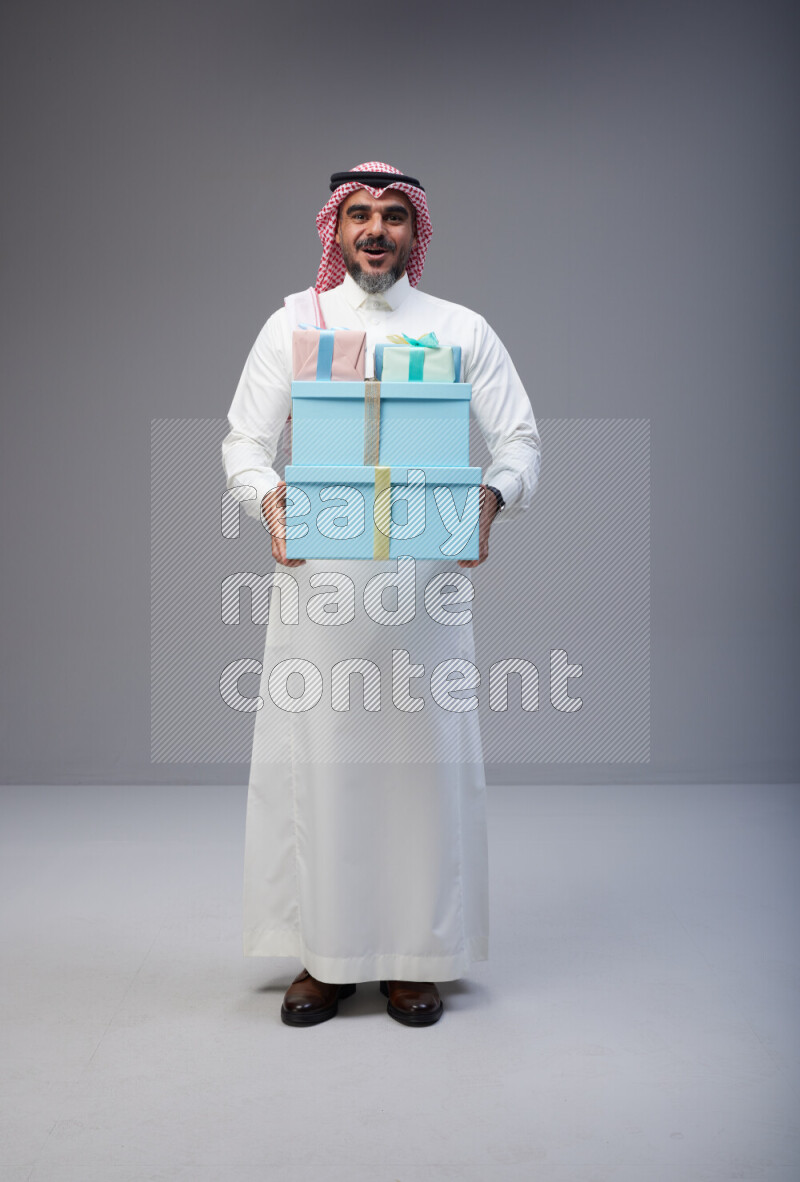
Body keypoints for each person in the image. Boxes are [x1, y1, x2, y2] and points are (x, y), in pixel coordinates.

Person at [222, 161, 541, 1027]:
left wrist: (490, 499)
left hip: (425, 589)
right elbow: (245, 441)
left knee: (420, 768)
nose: (374, 231)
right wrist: (270, 501)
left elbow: (518, 437)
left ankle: (414, 957)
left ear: (415, 231)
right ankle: (325, 958)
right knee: (324, 766)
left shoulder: (459, 328)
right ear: (335, 227)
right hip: (320, 585)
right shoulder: (295, 322)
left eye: (393, 216)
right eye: (359, 214)